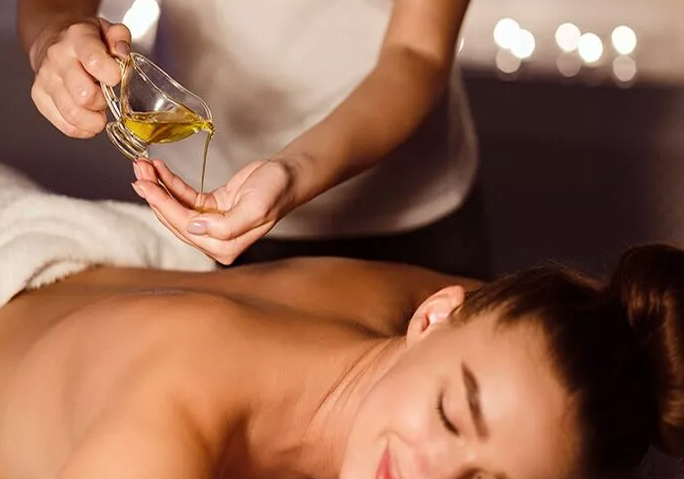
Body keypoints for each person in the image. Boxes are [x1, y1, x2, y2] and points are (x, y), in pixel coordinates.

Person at [1, 243, 683, 479]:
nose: (429, 474)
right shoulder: (175, 416)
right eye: (449, 415)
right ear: (430, 318)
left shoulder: (464, 329)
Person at [17, 0, 487, 277]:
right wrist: (54, 38)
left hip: (402, 215)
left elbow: (417, 52)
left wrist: (292, 171)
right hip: (189, 210)